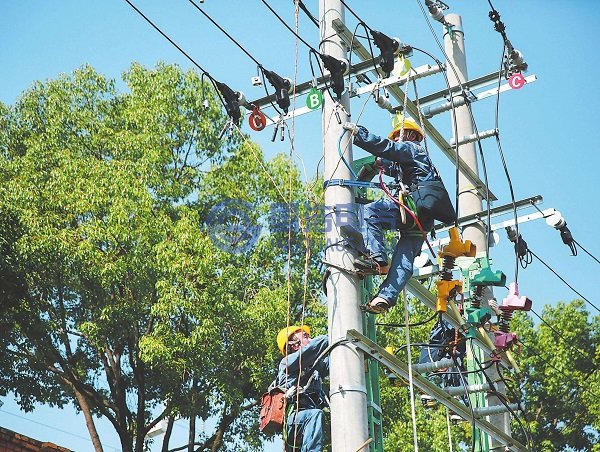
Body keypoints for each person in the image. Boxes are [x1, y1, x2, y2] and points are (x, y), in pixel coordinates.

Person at [343, 116, 456, 314]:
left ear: (411, 135)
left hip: (412, 207)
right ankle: (385, 297)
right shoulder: (411, 161)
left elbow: (389, 149)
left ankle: (377, 259)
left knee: (371, 212)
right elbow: (387, 160)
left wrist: (359, 134)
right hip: (423, 218)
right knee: (405, 259)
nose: (396, 139)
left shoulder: (413, 149)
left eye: (398, 136)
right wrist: (373, 165)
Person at [275, 325, 329, 452]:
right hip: (293, 419)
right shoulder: (288, 363)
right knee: (315, 415)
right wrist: (334, 335)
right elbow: (311, 349)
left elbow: (334, 362)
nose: (310, 339)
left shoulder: (315, 367)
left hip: (309, 422)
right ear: (294, 345)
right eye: (305, 336)